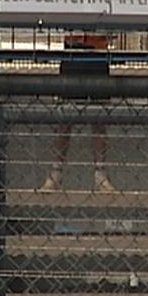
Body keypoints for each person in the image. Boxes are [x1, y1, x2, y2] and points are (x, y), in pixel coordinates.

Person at [38, 33, 117, 193]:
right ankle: (56, 173)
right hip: (72, 50)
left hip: (98, 51)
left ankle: (100, 174)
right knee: (65, 119)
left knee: (99, 119)